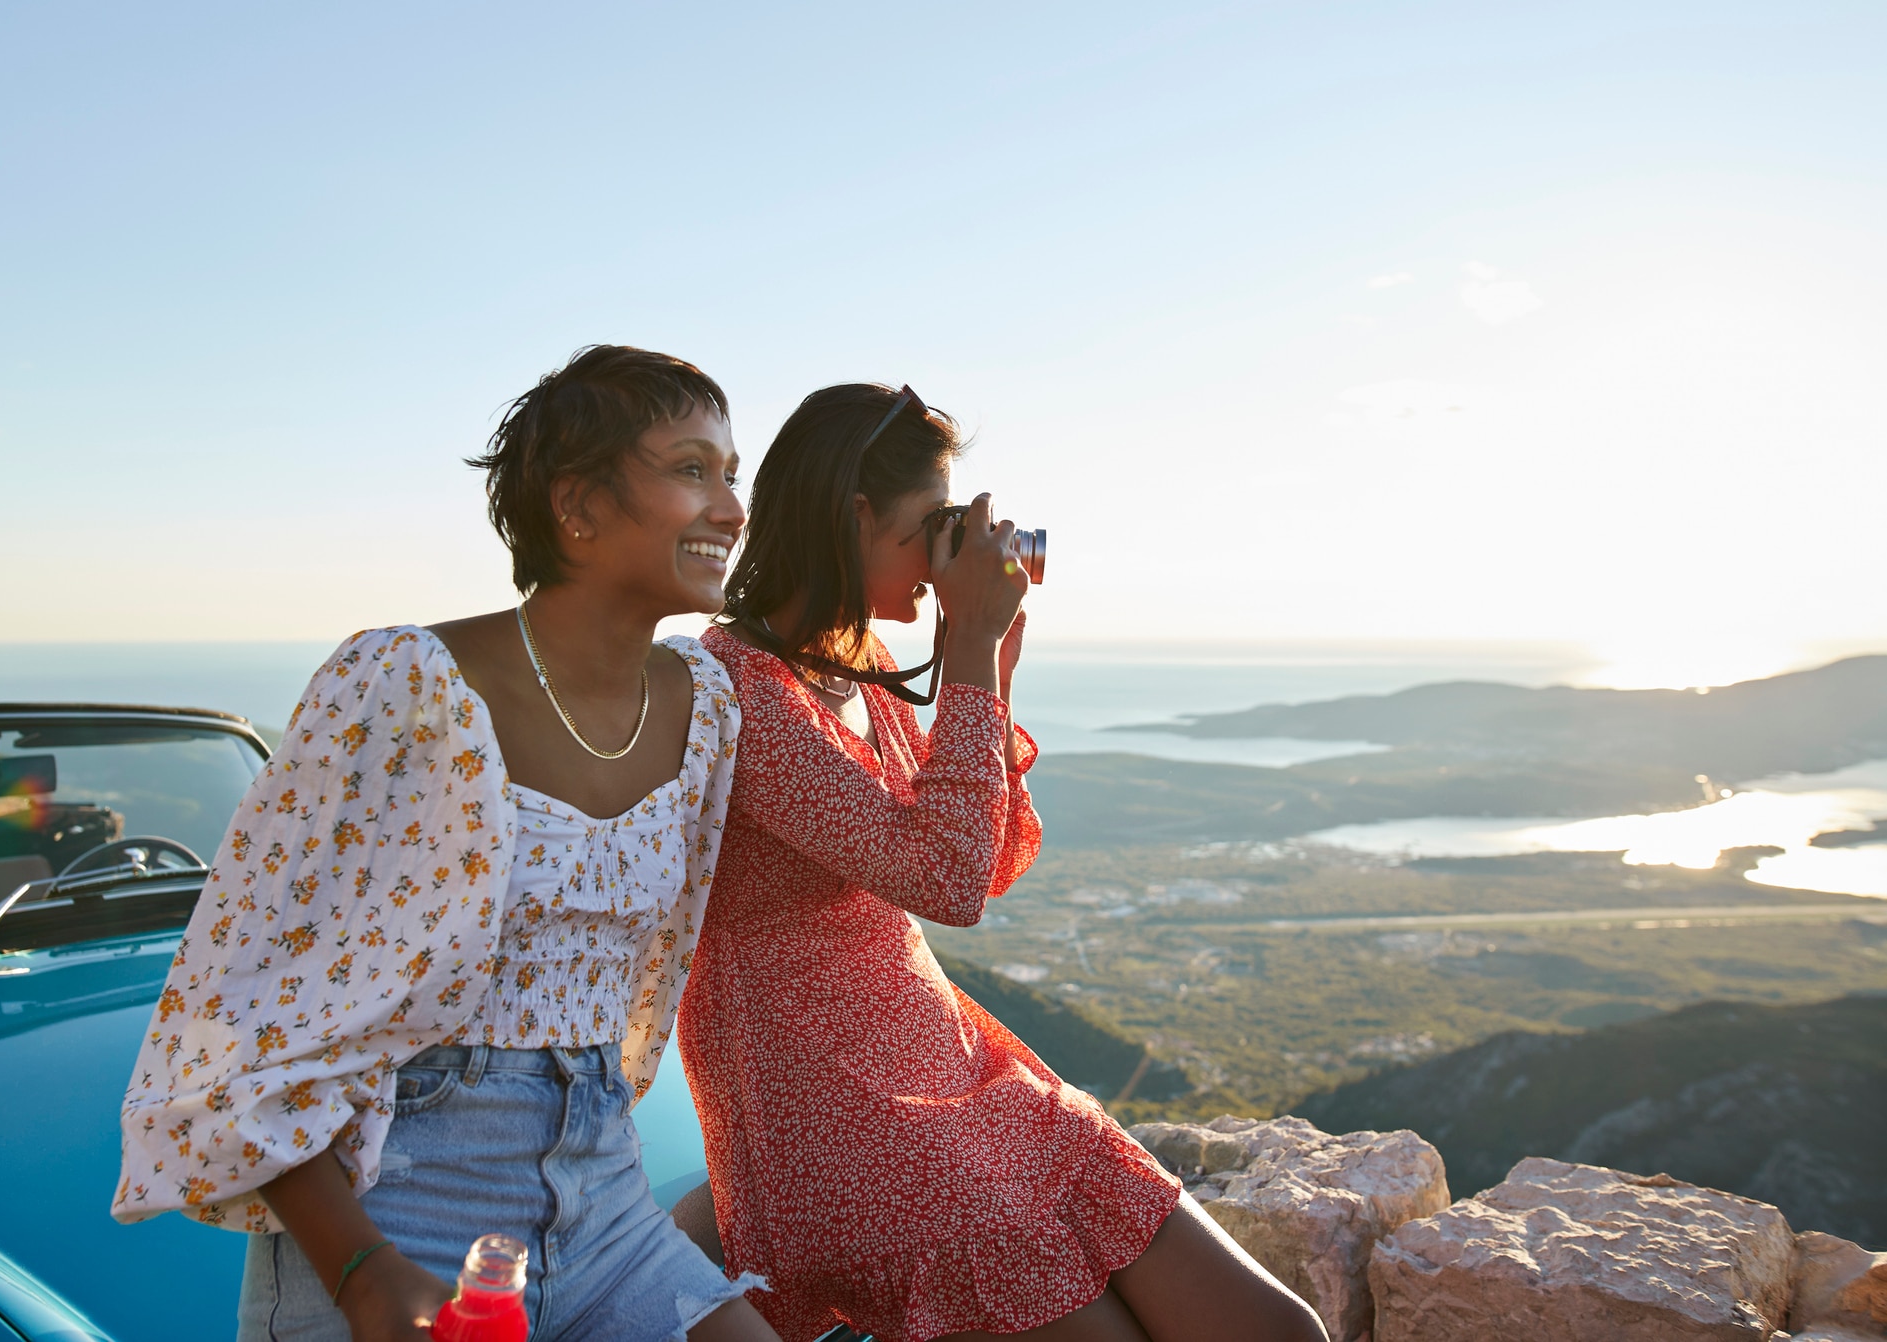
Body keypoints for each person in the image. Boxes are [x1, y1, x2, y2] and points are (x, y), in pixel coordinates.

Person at [113, 345, 779, 1342]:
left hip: (604, 1193)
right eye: (693, 469)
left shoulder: (704, 703)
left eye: (733, 473)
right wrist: (364, 1270)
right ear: (578, 506)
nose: (732, 505)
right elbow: (243, 1013)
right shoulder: (407, 687)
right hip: (399, 1209)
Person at [677, 385, 1328, 1342]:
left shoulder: (856, 668)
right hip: (834, 1116)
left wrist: (990, 667)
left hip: (952, 1067)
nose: (950, 551)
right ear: (854, 516)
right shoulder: (736, 688)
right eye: (932, 524)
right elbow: (942, 885)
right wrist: (970, 653)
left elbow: (984, 864)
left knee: (1277, 1331)